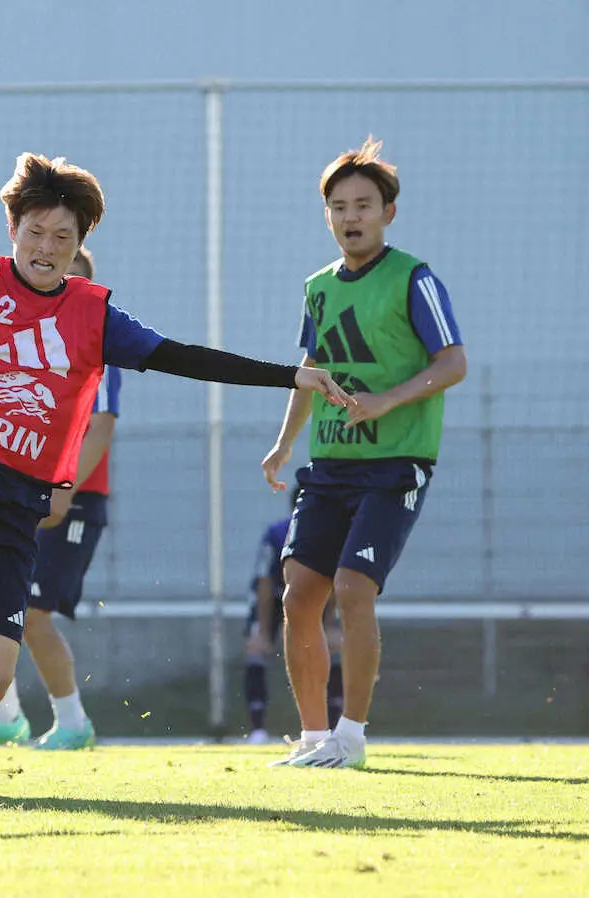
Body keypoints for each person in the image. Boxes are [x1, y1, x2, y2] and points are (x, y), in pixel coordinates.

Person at [0, 151, 348, 799]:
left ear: (80, 243)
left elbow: (180, 356)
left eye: (62, 237)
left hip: (17, 504)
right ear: (12, 230)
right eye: (35, 232)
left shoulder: (94, 314)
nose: (46, 247)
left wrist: (289, 374)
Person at [262, 137, 466, 768]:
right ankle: (314, 738)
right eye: (339, 206)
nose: (351, 216)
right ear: (327, 215)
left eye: (364, 205)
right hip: (329, 463)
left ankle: (351, 736)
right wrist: (283, 442)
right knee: (297, 593)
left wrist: (389, 400)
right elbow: (311, 367)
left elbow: (453, 362)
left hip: (396, 463)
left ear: (388, 212)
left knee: (353, 588)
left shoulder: (414, 277)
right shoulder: (318, 287)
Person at [0, 246, 117, 751]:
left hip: (73, 503)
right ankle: (6, 715)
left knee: (32, 611)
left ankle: (73, 723)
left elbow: (101, 428)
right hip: (23, 497)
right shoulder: (27, 344)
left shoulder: (98, 345)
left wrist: (58, 489)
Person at [243, 486, 342, 744]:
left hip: (316, 598)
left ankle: (332, 727)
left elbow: (334, 581)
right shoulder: (277, 534)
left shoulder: (330, 534)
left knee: (334, 648)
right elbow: (264, 583)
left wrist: (329, 623)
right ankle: (258, 729)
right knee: (256, 648)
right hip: (276, 599)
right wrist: (263, 631)